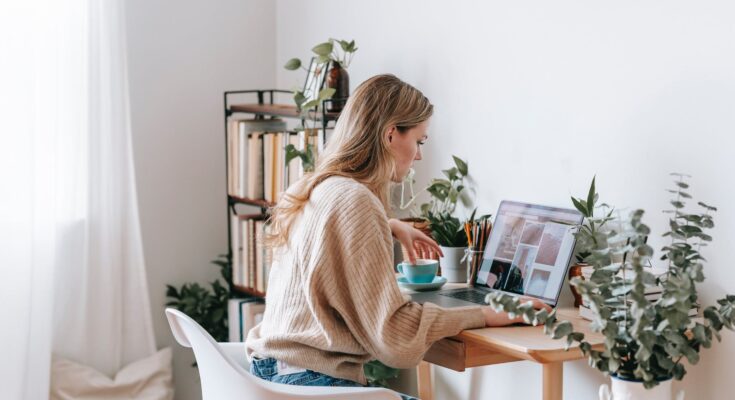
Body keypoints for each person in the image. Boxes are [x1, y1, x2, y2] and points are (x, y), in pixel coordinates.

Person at [245, 74, 550, 399]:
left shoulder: (315, 187)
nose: (419, 155)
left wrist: (390, 224)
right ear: (391, 135)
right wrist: (486, 313)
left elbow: (327, 238)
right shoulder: (357, 201)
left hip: (274, 374)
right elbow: (393, 337)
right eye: (419, 141)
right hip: (311, 385)